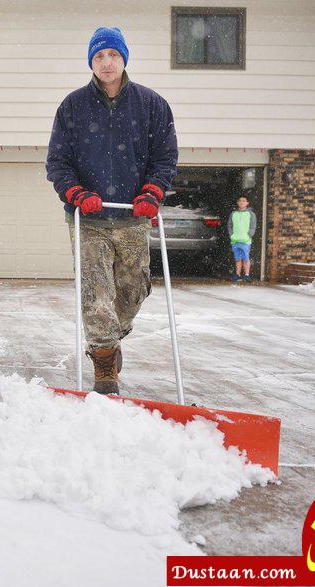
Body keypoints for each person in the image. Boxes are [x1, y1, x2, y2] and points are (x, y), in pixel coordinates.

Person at [45, 27, 179, 395]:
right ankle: (104, 363)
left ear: (124, 59)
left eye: (113, 56)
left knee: (134, 288)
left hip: (132, 216)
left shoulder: (152, 105)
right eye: (100, 56)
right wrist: (75, 193)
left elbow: (165, 158)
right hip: (88, 217)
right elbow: (57, 162)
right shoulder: (73, 106)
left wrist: (152, 193)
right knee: (96, 291)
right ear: (91, 61)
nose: (107, 63)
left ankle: (110, 338)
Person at [228, 195, 257, 282]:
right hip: (235, 240)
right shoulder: (233, 214)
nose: (242, 202)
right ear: (237, 202)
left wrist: (249, 235)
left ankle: (247, 275)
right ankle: (237, 274)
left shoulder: (250, 214)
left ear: (247, 203)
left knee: (246, 258)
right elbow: (229, 225)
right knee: (237, 258)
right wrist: (231, 235)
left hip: (245, 240)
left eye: (244, 201)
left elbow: (253, 226)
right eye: (240, 201)